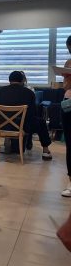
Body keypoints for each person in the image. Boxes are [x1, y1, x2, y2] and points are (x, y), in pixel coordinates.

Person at [0, 71, 52, 160]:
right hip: (23, 127)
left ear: (9, 80)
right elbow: (33, 113)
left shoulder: (0, 92)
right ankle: (45, 151)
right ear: (22, 81)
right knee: (41, 122)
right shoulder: (29, 93)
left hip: (3, 126)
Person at [61, 35, 71, 197]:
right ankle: (70, 182)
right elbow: (65, 86)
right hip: (69, 104)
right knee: (70, 143)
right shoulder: (68, 63)